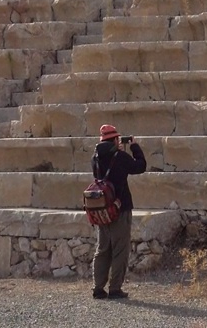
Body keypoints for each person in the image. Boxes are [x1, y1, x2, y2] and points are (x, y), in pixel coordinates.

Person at [91, 124, 147, 300]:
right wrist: (134, 147)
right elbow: (140, 166)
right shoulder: (120, 156)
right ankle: (115, 289)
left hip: (101, 208)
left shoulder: (95, 158)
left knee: (102, 249)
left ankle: (98, 288)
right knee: (119, 250)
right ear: (116, 139)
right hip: (120, 208)